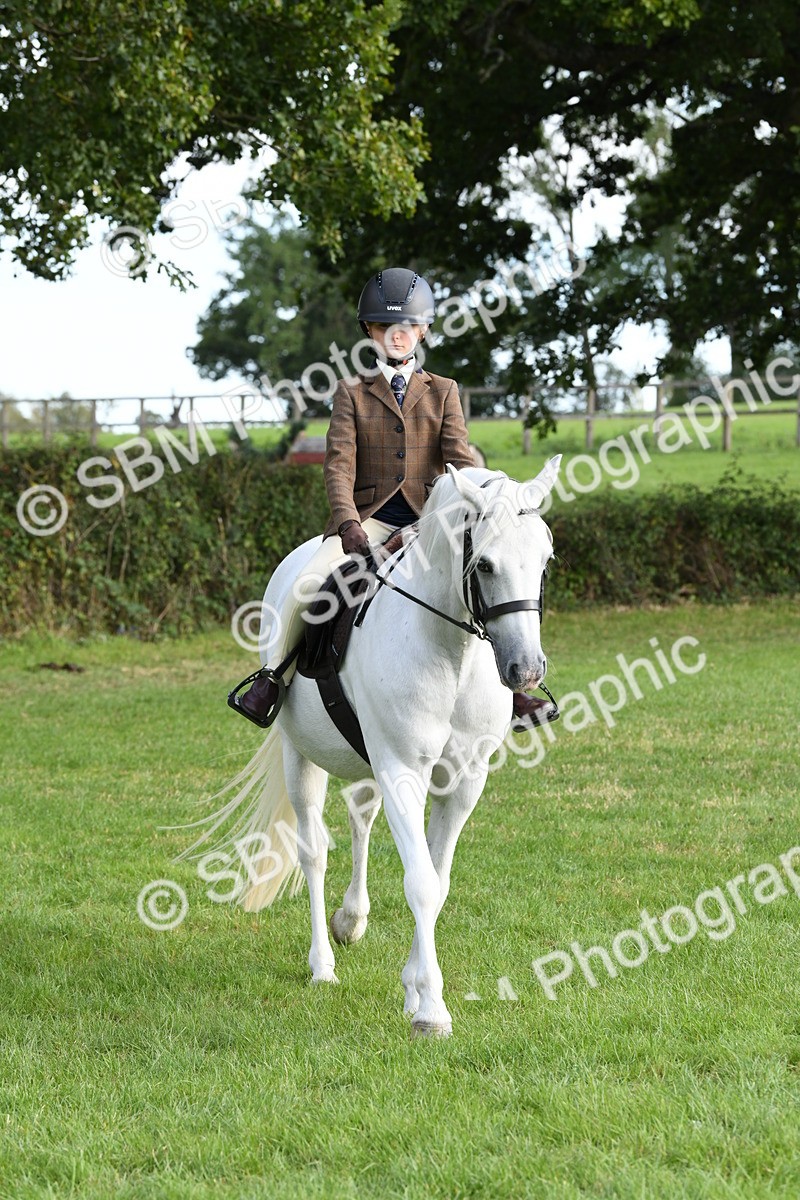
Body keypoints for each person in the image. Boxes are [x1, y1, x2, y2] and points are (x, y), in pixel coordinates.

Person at [230, 267, 556, 729]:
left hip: (433, 523)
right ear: (370, 331)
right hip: (373, 521)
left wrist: (489, 505)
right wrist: (348, 524)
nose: (396, 336)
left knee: (491, 585)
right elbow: (339, 465)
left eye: (406, 328)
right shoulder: (351, 392)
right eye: (385, 327)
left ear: (422, 330)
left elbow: (461, 461)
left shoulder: (444, 391)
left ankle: (518, 691)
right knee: (307, 587)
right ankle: (272, 679)